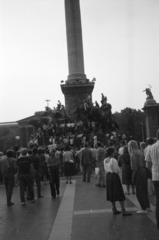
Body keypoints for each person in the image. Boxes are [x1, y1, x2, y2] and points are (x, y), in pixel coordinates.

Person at [104, 147, 132, 216]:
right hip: (114, 176)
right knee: (119, 192)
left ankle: (114, 208)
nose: (116, 151)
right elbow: (116, 169)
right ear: (112, 152)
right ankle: (123, 209)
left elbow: (105, 169)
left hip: (108, 176)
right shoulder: (113, 160)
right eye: (115, 150)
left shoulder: (105, 160)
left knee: (111, 192)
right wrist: (119, 171)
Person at [128, 140, 150, 214]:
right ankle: (147, 206)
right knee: (144, 189)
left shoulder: (132, 154)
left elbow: (134, 168)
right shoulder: (140, 152)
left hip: (138, 172)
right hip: (143, 171)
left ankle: (143, 208)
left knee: (139, 191)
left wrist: (132, 177)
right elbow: (144, 162)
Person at [146, 129, 159, 230]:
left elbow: (148, 162)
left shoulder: (152, 147)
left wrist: (150, 173)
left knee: (158, 200)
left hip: (155, 176)